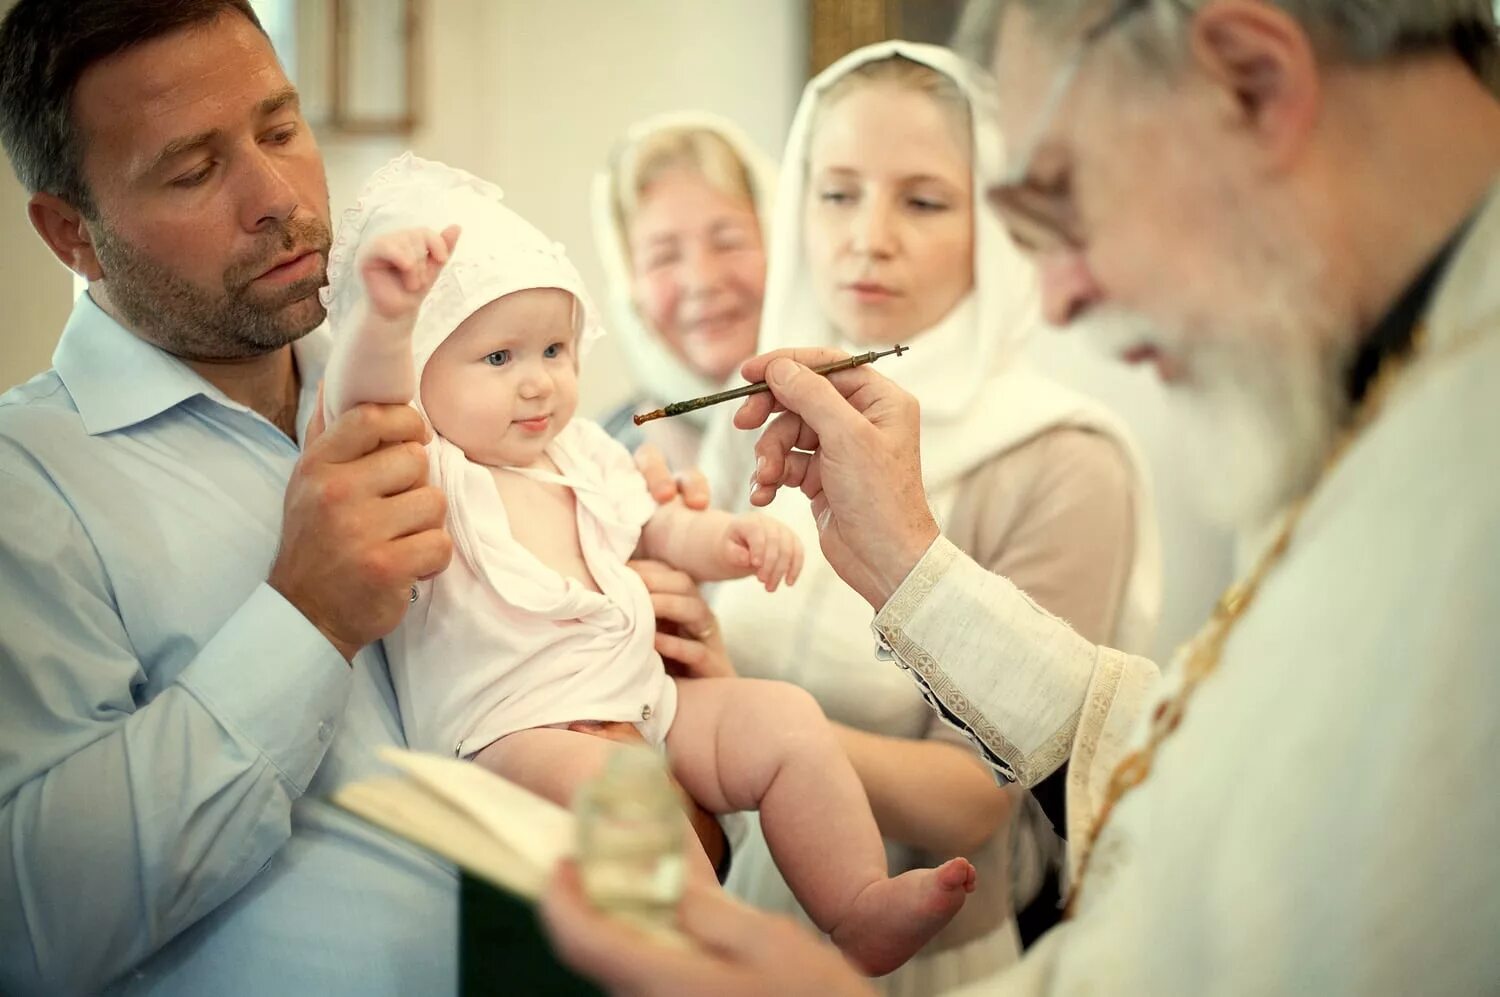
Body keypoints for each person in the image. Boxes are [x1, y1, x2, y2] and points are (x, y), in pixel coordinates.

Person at [539, 0, 1500, 993]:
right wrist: (904, 570)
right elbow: (1219, 784)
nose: (1053, 297)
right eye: (836, 193)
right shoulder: (1401, 386)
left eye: (1062, 196)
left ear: (1254, 79)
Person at [0, 5, 695, 994]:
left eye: (281, 129)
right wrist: (303, 617)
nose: (278, 196)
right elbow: (32, 931)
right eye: (196, 170)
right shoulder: (24, 489)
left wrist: (654, 683)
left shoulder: (456, 385)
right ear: (74, 234)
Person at [321, 154, 977, 977]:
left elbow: (661, 528)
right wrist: (385, 319)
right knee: (641, 810)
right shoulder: (432, 468)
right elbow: (363, 406)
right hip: (515, 735)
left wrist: (730, 541)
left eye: (555, 349)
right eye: (498, 359)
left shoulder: (586, 451)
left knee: (785, 721)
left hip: (645, 704)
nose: (538, 384)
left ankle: (855, 904)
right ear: (422, 374)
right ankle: (706, 966)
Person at [694, 41, 1159, 992]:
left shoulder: (1065, 458)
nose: (869, 236)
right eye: (836, 192)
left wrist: (730, 720)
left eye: (923, 201)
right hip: (729, 935)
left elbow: (973, 800)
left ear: (996, 225)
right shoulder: (746, 419)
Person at [594, 113, 775, 471]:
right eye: (663, 257)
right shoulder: (596, 469)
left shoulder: (863, 422)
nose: (702, 280)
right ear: (629, 285)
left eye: (728, 242)